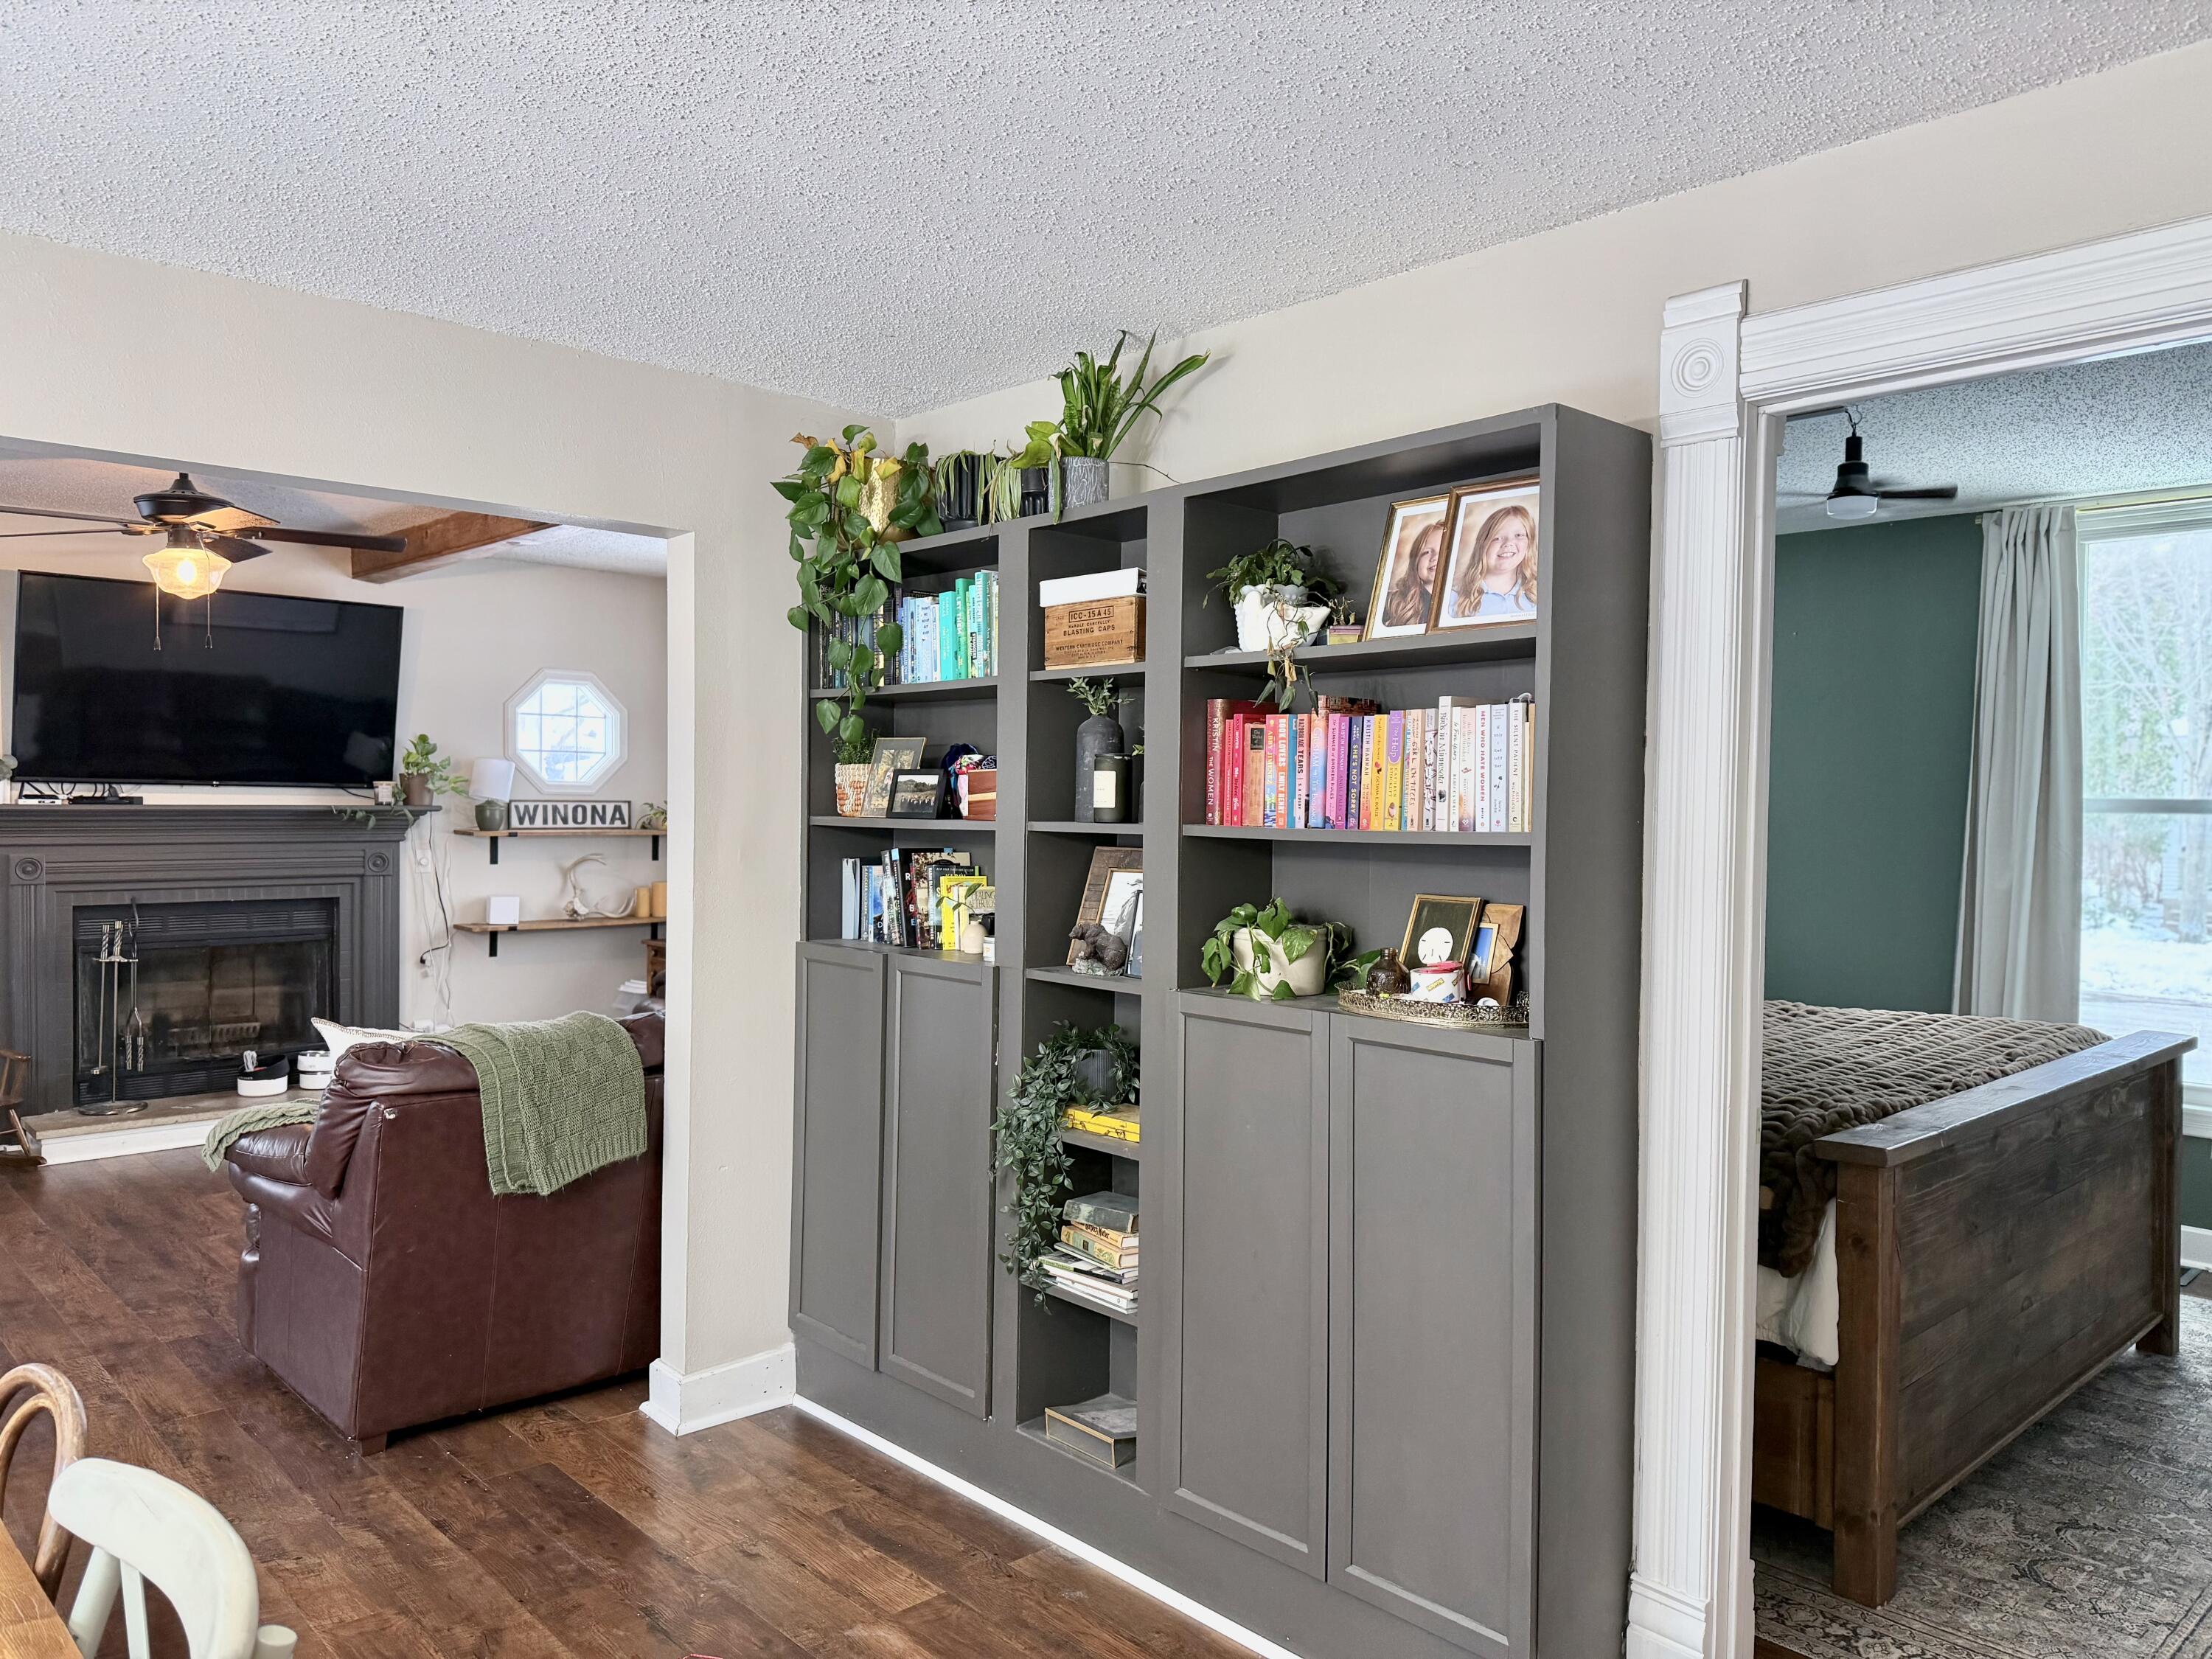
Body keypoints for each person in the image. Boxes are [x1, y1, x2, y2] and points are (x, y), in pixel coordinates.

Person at [1445, 502, 1538, 622]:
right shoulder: (1454, 599)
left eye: (1519, 535)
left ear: (1529, 543)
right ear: (1482, 545)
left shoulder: (1537, 596)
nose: (1508, 543)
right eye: (1497, 538)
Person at [1380, 516, 1444, 630]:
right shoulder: (1391, 602)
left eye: (1443, 550)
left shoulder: (1458, 604)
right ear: (1415, 560)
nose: (1435, 557)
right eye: (1427, 552)